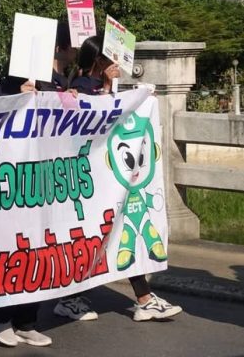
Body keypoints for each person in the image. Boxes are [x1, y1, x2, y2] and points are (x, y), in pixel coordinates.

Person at [66, 35, 182, 323]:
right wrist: (107, 90)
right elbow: (93, 120)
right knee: (93, 236)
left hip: (111, 179)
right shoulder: (81, 87)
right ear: (98, 61)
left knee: (116, 232)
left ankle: (144, 298)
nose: (116, 65)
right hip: (90, 177)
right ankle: (70, 298)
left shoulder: (109, 87)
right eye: (110, 59)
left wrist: (142, 101)